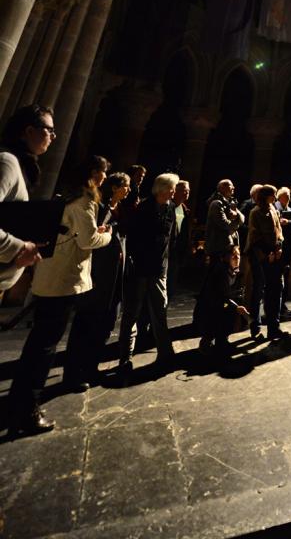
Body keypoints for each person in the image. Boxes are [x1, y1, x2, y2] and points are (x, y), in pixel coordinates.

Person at [7, 155, 112, 436]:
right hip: (65, 279)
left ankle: (17, 402)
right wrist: (108, 235)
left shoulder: (66, 198)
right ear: (93, 174)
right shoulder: (86, 201)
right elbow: (89, 240)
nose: (104, 178)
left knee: (39, 341)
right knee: (45, 345)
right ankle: (26, 408)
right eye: (102, 173)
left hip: (50, 274)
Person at [65, 171, 130, 388]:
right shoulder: (99, 209)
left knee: (105, 323)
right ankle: (73, 373)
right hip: (98, 275)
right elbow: (93, 238)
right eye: (126, 185)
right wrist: (109, 233)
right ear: (114, 187)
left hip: (113, 276)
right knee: (87, 323)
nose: (128, 190)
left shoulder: (118, 209)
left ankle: (91, 367)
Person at [117, 172, 178, 380]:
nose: (174, 191)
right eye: (172, 188)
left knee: (160, 312)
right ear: (161, 189)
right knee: (132, 313)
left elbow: (170, 239)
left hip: (159, 269)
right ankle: (125, 358)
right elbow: (133, 238)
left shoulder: (170, 208)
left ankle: (165, 353)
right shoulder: (143, 208)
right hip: (141, 270)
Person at [0, 104, 55, 289]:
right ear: (29, 131)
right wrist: (20, 248)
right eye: (49, 130)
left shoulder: (17, 165)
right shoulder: (7, 162)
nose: (54, 136)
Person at [245, 184, 285, 342]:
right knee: (258, 290)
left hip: (274, 255)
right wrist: (267, 254)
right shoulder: (255, 212)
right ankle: (255, 327)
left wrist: (279, 247)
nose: (275, 198)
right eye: (273, 195)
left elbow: (278, 229)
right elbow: (255, 237)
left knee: (275, 291)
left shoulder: (273, 209)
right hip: (260, 257)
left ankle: (273, 328)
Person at [196, 244, 248, 360]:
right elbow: (221, 296)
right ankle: (206, 341)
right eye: (233, 255)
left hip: (222, 303)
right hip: (211, 305)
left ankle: (222, 340)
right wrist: (236, 307)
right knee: (225, 310)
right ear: (225, 257)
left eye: (238, 255)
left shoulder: (235, 272)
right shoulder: (221, 271)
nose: (237, 258)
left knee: (231, 310)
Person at [275, 186, 291, 318]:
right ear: (279, 197)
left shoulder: (290, 208)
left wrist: (287, 222)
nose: (289, 198)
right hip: (278, 246)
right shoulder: (275, 207)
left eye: (289, 195)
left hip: (287, 247)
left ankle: (282, 305)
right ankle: (276, 307)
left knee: (285, 275)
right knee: (277, 277)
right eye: (286, 195)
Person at [205, 180, 244, 262]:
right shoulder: (216, 204)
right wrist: (236, 223)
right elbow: (224, 224)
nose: (233, 187)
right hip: (218, 248)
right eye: (231, 185)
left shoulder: (229, 203)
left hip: (228, 247)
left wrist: (236, 215)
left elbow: (242, 219)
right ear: (222, 188)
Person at [168, 178, 190, 298]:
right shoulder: (168, 207)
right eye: (184, 190)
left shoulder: (185, 210)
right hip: (166, 251)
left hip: (176, 253)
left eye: (188, 191)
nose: (187, 193)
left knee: (170, 286)